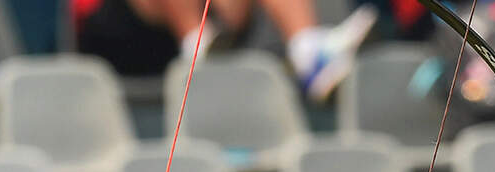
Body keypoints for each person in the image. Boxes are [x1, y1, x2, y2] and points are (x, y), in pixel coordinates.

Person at [75, 0, 377, 101]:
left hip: (217, 40)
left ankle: (309, 52)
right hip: (118, 37)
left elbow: (235, 17)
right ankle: (197, 43)